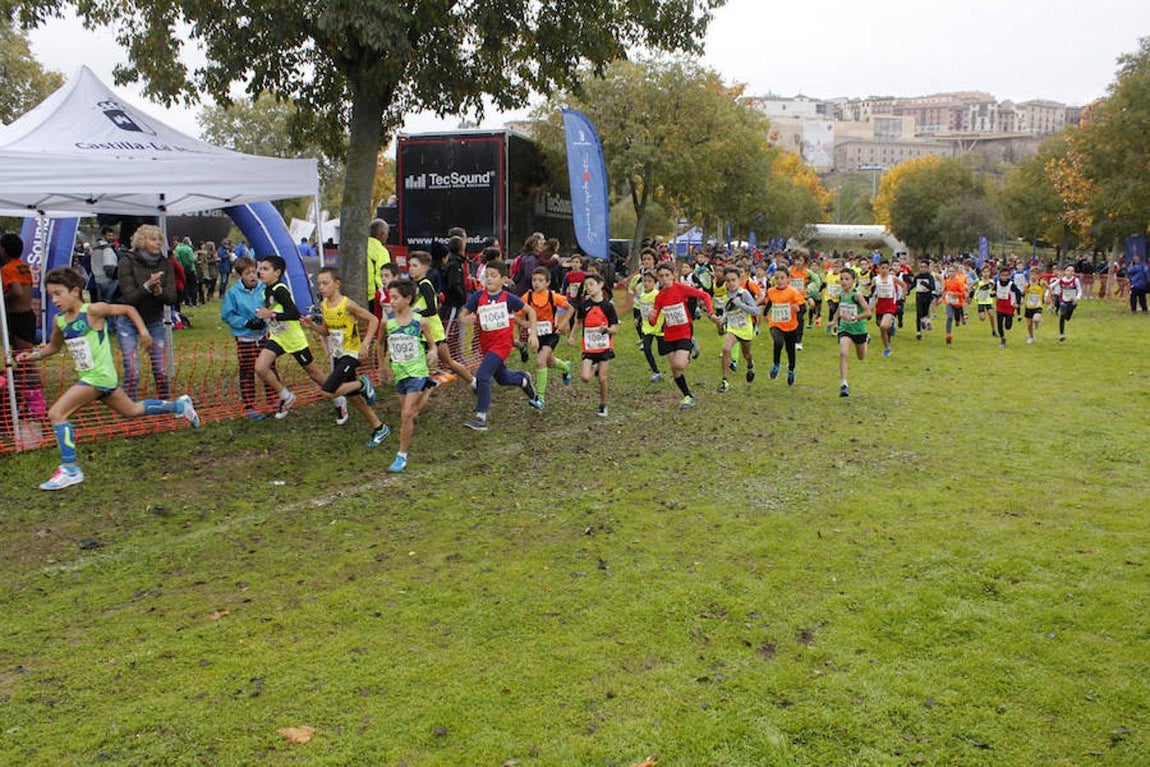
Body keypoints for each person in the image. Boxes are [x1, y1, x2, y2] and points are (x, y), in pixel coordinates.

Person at [17, 267, 200, 490]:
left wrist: (143, 332)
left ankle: (70, 469)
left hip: (99, 377)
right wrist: (32, 355)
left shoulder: (93, 310)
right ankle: (180, 405)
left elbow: (128, 309)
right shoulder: (60, 321)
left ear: (75, 291)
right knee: (131, 410)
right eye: (51, 295)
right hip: (95, 379)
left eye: (58, 293)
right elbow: (54, 348)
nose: (54, 299)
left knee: (57, 413)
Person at [307, 267, 390, 445]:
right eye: (319, 283)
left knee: (328, 391)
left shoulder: (347, 304)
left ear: (337, 284)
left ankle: (363, 383)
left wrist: (365, 344)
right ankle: (380, 428)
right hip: (338, 354)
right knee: (353, 397)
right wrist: (312, 326)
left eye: (325, 283)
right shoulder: (324, 305)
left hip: (351, 354)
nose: (321, 287)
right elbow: (327, 331)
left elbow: (373, 320)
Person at [457, 261, 542, 431]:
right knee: (502, 379)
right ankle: (523, 380)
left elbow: (531, 311)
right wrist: (466, 319)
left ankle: (481, 417)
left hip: (503, 344)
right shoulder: (478, 297)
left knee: (482, 375)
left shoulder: (508, 298)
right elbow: (462, 315)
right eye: (487, 275)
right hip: (486, 346)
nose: (489, 279)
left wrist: (532, 333)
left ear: (503, 279)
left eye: (493, 276)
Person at [252, 255, 328, 419]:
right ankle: (286, 396)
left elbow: (294, 314)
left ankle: (339, 398)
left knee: (314, 374)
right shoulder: (267, 289)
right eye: (260, 268)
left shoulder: (280, 289)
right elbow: (274, 312)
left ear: (277, 272)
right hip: (278, 337)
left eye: (265, 269)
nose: (261, 272)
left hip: (293, 339)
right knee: (260, 368)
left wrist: (270, 314)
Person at [380, 279, 437, 472]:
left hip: (417, 371)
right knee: (411, 414)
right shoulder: (388, 321)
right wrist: (381, 366)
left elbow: (432, 343)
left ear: (408, 298)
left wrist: (433, 351)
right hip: (399, 372)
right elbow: (380, 344)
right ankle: (428, 389)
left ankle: (401, 456)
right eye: (390, 297)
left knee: (405, 414)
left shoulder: (419, 321)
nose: (392, 301)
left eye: (395, 297)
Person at [115, 224, 177, 400]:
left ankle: (165, 402)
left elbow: (172, 297)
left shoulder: (165, 263)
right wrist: (147, 287)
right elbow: (129, 297)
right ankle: (129, 406)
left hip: (154, 320)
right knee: (133, 371)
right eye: (153, 239)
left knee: (161, 369)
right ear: (142, 241)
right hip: (128, 321)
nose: (158, 243)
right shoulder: (127, 262)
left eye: (159, 239)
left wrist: (159, 292)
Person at [650, 261, 716, 410]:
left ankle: (689, 349)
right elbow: (654, 322)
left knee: (679, 364)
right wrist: (651, 316)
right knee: (675, 369)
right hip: (669, 334)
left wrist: (710, 312)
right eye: (661, 276)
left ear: (673, 276)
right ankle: (688, 396)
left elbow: (705, 295)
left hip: (685, 331)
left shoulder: (681, 289)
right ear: (658, 278)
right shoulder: (659, 297)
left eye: (667, 275)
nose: (665, 279)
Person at [407, 250, 474, 386]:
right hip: (420, 333)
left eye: (415, 265)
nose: (411, 269)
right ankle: (422, 388)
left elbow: (432, 310)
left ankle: (474, 382)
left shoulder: (425, 284)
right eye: (410, 265)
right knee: (419, 364)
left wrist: (413, 314)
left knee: (448, 361)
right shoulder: (413, 285)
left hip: (434, 332)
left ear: (425, 267)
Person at [220, 256, 275, 420]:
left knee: (269, 368)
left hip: (264, 337)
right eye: (247, 273)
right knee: (247, 372)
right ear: (240, 276)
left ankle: (274, 400)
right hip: (245, 339)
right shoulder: (233, 293)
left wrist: (266, 319)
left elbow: (272, 306)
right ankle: (249, 406)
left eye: (254, 271)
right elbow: (227, 315)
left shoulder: (264, 288)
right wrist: (246, 323)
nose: (252, 276)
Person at [521, 266, 574, 407]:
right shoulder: (527, 297)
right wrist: (523, 322)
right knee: (549, 362)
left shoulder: (552, 296)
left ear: (547, 283)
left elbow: (571, 309)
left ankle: (540, 398)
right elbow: (515, 315)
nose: (536, 283)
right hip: (537, 336)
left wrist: (563, 324)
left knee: (540, 361)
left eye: (540, 280)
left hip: (552, 334)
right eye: (534, 280)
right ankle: (566, 368)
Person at [567, 272, 618, 416]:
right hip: (589, 348)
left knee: (602, 378)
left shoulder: (608, 306)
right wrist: (572, 336)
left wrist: (607, 330)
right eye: (586, 285)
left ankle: (603, 404)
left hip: (604, 347)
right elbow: (578, 322)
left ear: (600, 285)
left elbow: (615, 329)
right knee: (585, 377)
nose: (588, 288)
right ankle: (594, 367)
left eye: (591, 284)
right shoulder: (584, 305)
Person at [714, 266, 760, 391]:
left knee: (747, 354)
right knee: (726, 349)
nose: (731, 283)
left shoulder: (744, 293)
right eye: (728, 281)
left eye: (733, 280)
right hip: (732, 328)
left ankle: (750, 365)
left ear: (739, 280)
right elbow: (725, 313)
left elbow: (755, 311)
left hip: (745, 329)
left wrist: (741, 304)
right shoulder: (725, 296)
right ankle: (725, 380)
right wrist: (720, 321)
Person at [831, 268, 872, 398]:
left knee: (861, 356)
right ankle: (844, 384)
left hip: (859, 330)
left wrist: (855, 317)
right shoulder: (842, 294)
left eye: (847, 279)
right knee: (843, 352)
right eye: (842, 279)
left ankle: (865, 341)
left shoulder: (857, 295)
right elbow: (840, 307)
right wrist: (834, 320)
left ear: (854, 281)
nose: (843, 282)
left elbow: (868, 312)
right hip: (845, 329)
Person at [763, 267, 804, 386]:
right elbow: (769, 303)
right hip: (776, 324)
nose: (779, 280)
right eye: (777, 278)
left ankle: (791, 370)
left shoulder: (793, 292)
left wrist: (798, 309)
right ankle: (776, 364)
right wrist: (765, 314)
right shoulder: (771, 291)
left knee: (790, 351)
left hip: (791, 326)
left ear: (788, 279)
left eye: (782, 278)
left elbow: (803, 308)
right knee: (778, 341)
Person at [635, 268, 664, 381]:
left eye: (649, 281)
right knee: (647, 348)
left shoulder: (657, 294)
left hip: (658, 326)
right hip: (647, 327)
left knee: (663, 351)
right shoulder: (642, 295)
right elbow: (643, 309)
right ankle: (656, 372)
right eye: (644, 281)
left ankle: (690, 343)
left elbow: (663, 309)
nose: (646, 283)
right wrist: (638, 318)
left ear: (655, 283)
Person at [871, 259, 901, 357]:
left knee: (884, 326)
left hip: (890, 305)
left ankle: (891, 323)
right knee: (881, 328)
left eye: (886, 268)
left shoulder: (892, 278)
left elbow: (904, 285)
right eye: (882, 268)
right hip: (880, 306)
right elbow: (872, 293)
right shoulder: (875, 279)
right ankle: (887, 348)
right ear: (878, 269)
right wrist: (870, 305)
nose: (884, 270)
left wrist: (903, 295)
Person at [993, 265, 1023, 347]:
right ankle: (1002, 339)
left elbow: (1018, 293)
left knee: (1008, 326)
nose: (1004, 277)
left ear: (1009, 275)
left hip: (1009, 307)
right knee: (999, 324)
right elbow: (993, 291)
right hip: (1000, 306)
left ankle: (1009, 322)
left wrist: (1018, 302)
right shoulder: (997, 283)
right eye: (1002, 275)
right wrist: (992, 294)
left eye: (1006, 275)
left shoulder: (1011, 284)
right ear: (1000, 275)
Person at [366, 218, 391, 313]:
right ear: (382, 235)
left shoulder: (362, 246)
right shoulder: (381, 251)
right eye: (387, 234)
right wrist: (386, 294)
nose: (387, 237)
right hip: (373, 296)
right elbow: (382, 275)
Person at [91, 226, 120, 302]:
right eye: (109, 235)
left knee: (101, 304)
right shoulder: (107, 249)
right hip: (108, 280)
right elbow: (109, 267)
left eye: (112, 235)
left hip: (97, 279)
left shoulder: (94, 249)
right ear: (104, 236)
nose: (111, 237)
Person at [1055, 265, 1083, 342]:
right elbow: (1051, 286)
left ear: (1073, 273)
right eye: (1068, 270)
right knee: (1062, 315)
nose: (1070, 272)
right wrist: (1047, 294)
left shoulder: (1076, 280)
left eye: (1072, 271)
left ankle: (1067, 314)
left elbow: (1080, 290)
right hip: (1063, 300)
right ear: (1065, 272)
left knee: (1067, 317)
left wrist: (1077, 298)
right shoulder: (1061, 280)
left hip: (1072, 302)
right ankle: (1061, 334)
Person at [911, 258, 937, 339]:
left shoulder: (930, 277)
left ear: (928, 268)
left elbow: (933, 287)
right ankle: (918, 332)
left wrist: (926, 284)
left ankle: (924, 321)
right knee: (919, 313)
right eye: (921, 267)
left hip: (928, 296)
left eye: (924, 267)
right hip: (919, 296)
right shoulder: (918, 276)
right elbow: (913, 284)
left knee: (925, 313)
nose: (922, 269)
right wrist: (907, 291)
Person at [942, 265, 968, 345]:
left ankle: (959, 320)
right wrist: (945, 295)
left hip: (957, 303)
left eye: (953, 271)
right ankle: (948, 334)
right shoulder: (946, 281)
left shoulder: (959, 282)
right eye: (950, 271)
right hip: (949, 302)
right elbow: (945, 291)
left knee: (957, 319)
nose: (951, 273)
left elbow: (963, 294)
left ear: (956, 273)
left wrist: (955, 294)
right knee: (949, 317)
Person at [970, 265, 996, 337]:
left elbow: (995, 289)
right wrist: (971, 291)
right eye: (984, 272)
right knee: (982, 318)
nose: (986, 273)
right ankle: (983, 314)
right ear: (981, 273)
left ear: (990, 273)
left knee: (991, 314)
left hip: (988, 300)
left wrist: (994, 293)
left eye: (987, 272)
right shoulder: (979, 281)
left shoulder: (992, 282)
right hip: (980, 301)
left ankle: (994, 330)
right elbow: (971, 286)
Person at [1022, 273, 1046, 344]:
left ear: (1038, 276)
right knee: (1029, 324)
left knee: (1035, 319)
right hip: (1029, 306)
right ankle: (1031, 337)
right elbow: (1023, 293)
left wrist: (1048, 296)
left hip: (1038, 305)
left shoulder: (1041, 283)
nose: (1033, 276)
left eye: (1035, 274)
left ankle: (1037, 322)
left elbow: (1049, 288)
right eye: (1032, 275)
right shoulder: (1027, 285)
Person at [174, 237, 198, 306]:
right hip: (190, 269)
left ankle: (186, 301)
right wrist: (195, 257)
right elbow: (191, 259)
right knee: (193, 285)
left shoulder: (177, 248)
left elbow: (176, 257)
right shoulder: (189, 249)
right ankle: (193, 301)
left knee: (185, 285)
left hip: (181, 269)